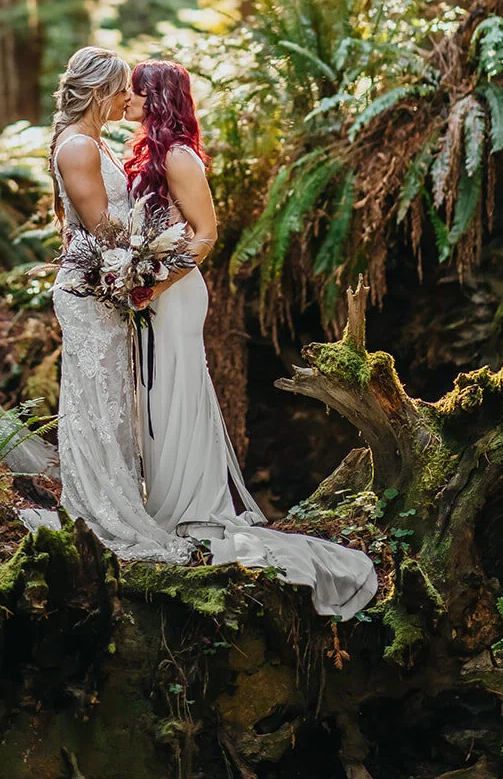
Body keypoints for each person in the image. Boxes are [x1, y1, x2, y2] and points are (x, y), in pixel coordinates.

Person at [124, 59, 378, 619]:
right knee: (155, 393)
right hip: (152, 291)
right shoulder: (147, 154)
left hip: (175, 292)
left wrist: (154, 283)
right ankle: (159, 494)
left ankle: (187, 503)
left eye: (135, 91)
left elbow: (206, 235)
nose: (126, 98)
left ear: (156, 97)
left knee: (175, 389)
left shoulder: (179, 157)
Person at [45, 46, 191, 563]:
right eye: (121, 89)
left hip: (106, 282)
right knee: (97, 398)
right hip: (91, 289)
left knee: (112, 398)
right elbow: (102, 228)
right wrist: (156, 245)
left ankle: (119, 499)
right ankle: (100, 511)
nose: (128, 98)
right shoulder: (78, 148)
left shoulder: (94, 142)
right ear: (100, 93)